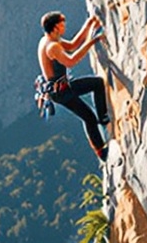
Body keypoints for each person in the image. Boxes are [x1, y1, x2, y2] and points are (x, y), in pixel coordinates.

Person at [36, 8, 109, 158]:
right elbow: (72, 61)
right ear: (56, 27)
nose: (65, 27)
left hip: (60, 89)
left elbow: (72, 45)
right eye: (62, 24)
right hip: (62, 92)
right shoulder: (52, 47)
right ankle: (101, 148)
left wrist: (88, 24)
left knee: (95, 88)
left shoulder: (47, 39)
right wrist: (92, 41)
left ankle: (102, 122)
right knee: (90, 113)